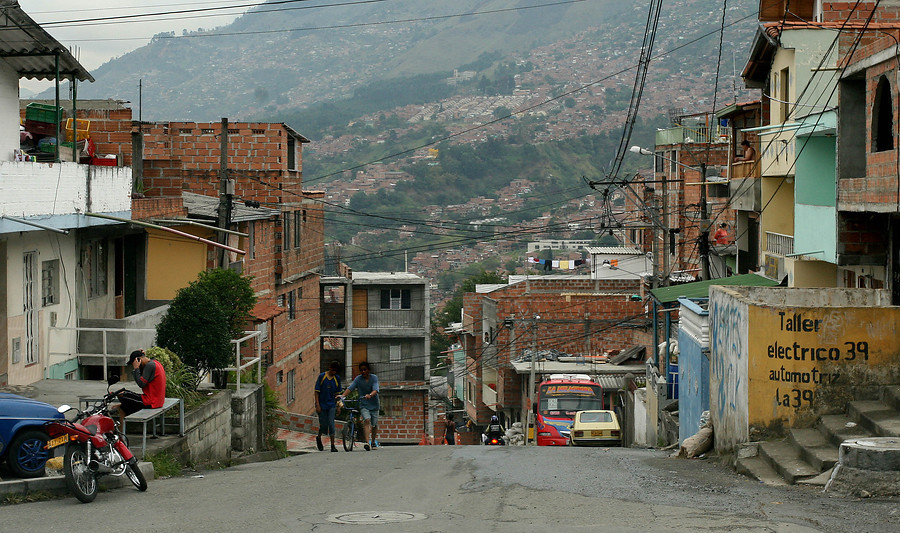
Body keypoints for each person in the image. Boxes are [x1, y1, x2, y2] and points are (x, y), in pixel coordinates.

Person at [112, 349, 167, 429]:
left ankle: (122, 407)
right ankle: (121, 431)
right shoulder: (155, 362)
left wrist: (136, 368)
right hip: (155, 400)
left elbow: (141, 384)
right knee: (122, 395)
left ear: (138, 360)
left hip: (151, 402)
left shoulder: (150, 365)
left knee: (122, 395)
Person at [340, 361, 379, 451]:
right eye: (361, 370)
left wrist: (370, 395)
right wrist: (343, 396)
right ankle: (367, 442)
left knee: (374, 424)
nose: (363, 372)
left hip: (374, 404)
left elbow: (375, 389)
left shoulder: (374, 378)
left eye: (365, 370)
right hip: (363, 404)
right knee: (367, 420)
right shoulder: (358, 379)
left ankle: (373, 442)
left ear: (368, 370)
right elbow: (350, 388)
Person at [315, 361, 343, 452]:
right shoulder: (322, 376)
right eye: (332, 370)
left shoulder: (337, 379)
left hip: (331, 404)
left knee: (331, 423)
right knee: (323, 424)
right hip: (322, 404)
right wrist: (318, 405)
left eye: (335, 371)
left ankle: (332, 445)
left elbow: (338, 394)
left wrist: (339, 405)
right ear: (329, 368)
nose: (333, 372)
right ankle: (319, 437)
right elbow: (316, 391)